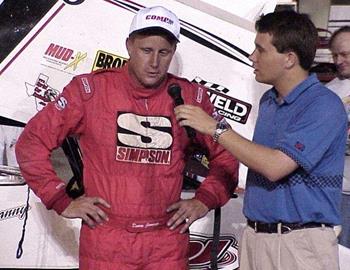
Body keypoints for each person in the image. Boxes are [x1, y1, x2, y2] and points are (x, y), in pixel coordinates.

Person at [15, 6, 238, 270]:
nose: (154, 62)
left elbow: (229, 152)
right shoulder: (90, 90)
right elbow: (31, 143)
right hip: (106, 240)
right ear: (129, 46)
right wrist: (61, 200)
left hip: (167, 242)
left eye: (163, 52)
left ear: (173, 52)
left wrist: (204, 201)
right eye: (146, 50)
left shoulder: (191, 96)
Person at [174, 10, 347, 270]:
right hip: (255, 237)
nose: (252, 57)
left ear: (289, 59)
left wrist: (215, 129)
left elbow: (275, 166)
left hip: (299, 245)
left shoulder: (324, 105)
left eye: (260, 50)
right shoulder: (269, 101)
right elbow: (257, 160)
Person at [326, 25, 350, 249]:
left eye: (345, 54)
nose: (339, 60)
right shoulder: (328, 93)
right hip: (338, 193)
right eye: (335, 55)